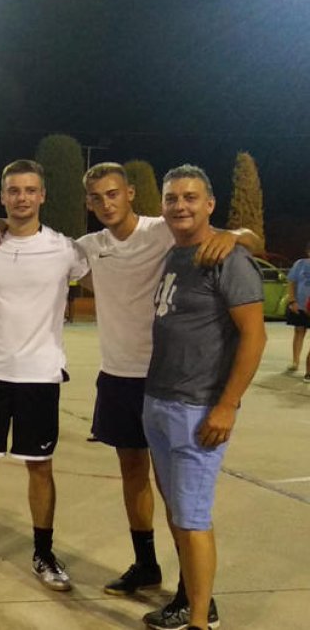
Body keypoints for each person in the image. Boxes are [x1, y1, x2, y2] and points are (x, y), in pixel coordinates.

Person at [75, 162, 258, 600]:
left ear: (131, 193)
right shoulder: (86, 246)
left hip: (167, 380)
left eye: (113, 193)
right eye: (97, 197)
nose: (106, 203)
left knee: (173, 489)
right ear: (88, 203)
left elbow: (249, 239)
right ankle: (146, 564)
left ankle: (191, 591)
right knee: (132, 475)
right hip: (117, 375)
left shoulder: (164, 228)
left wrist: (234, 236)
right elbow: (35, 245)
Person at [0, 159, 88, 592]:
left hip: (40, 374)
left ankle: (44, 552)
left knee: (40, 467)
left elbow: (104, 277)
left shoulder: (66, 249)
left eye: (30, 190)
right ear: (3, 195)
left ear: (42, 195)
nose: (22, 197)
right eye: (14, 190)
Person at [141, 165, 265, 630]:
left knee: (193, 518)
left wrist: (228, 404)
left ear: (210, 204)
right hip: (158, 400)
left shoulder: (228, 258)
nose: (180, 206)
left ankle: (200, 621)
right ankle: (191, 601)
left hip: (198, 407)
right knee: (177, 512)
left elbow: (254, 337)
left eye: (191, 197)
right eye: (172, 198)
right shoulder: (175, 254)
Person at [286, 242, 310, 382]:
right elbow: (291, 283)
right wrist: (292, 300)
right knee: (299, 332)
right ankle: (295, 361)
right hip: (300, 305)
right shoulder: (300, 264)